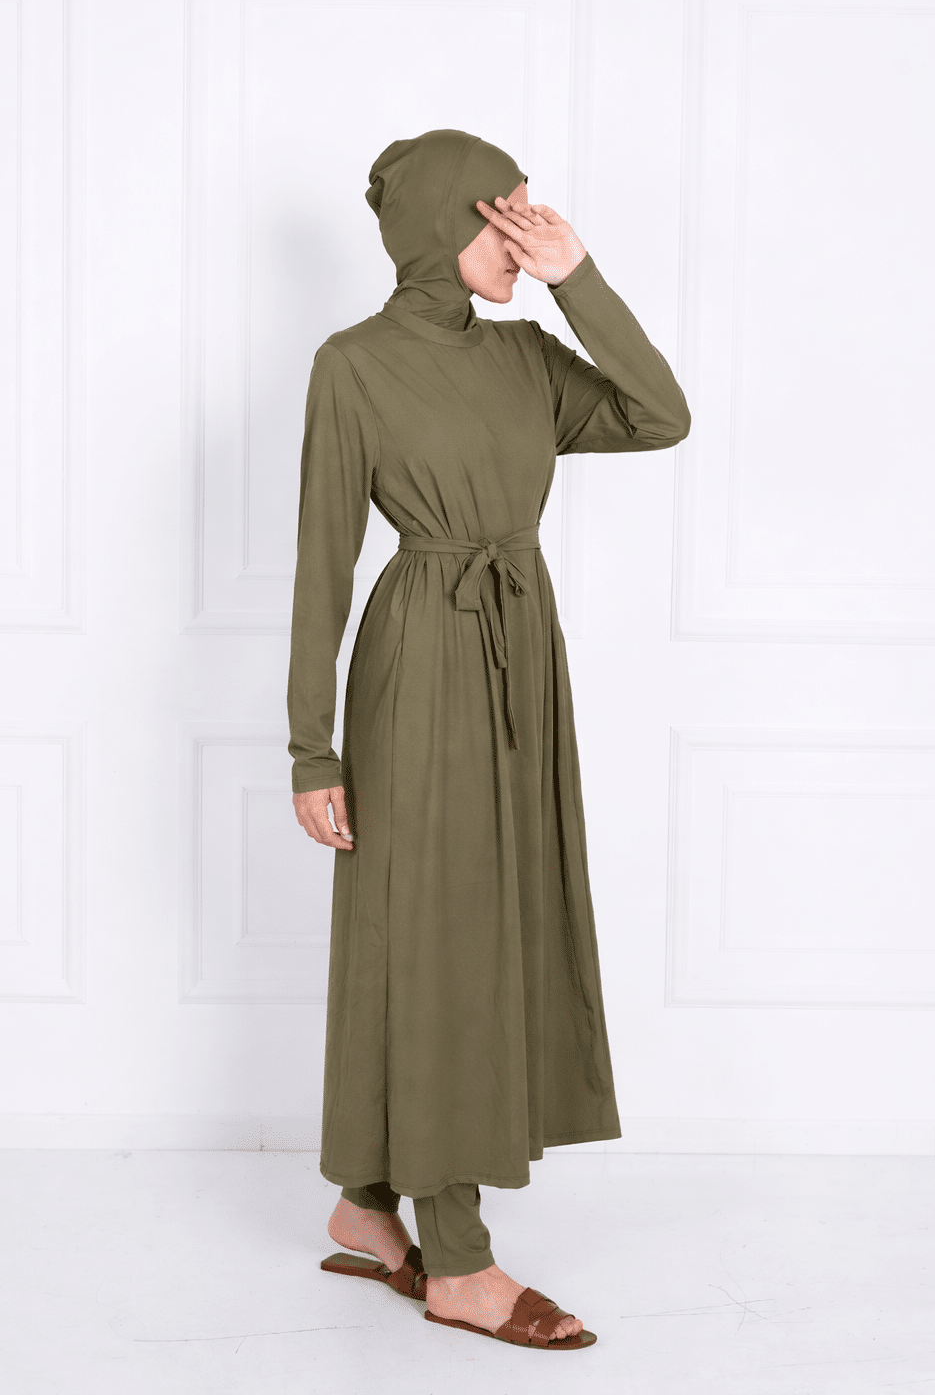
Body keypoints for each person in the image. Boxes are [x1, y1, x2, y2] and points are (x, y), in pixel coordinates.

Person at [287, 129, 691, 1350]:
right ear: (440, 225)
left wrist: (579, 279)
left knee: (488, 922)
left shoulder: (525, 357)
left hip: (522, 652)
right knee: (435, 935)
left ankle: (368, 1206)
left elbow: (659, 416)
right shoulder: (353, 365)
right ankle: (456, 1260)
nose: (524, 231)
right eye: (502, 214)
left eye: (530, 212)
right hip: (419, 662)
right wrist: (313, 749)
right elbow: (321, 564)